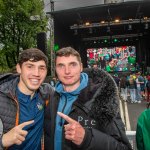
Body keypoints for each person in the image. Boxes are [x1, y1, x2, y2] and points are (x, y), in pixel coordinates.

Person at [44, 47, 132, 150]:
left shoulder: (102, 99)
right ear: (55, 70)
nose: (67, 71)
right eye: (61, 66)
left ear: (81, 67)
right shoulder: (52, 98)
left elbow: (123, 147)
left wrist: (87, 139)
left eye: (72, 65)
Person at [0, 48, 54, 149]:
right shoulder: (2, 97)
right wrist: (3, 141)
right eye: (30, 66)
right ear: (19, 68)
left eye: (41, 68)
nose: (36, 73)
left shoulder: (47, 93)